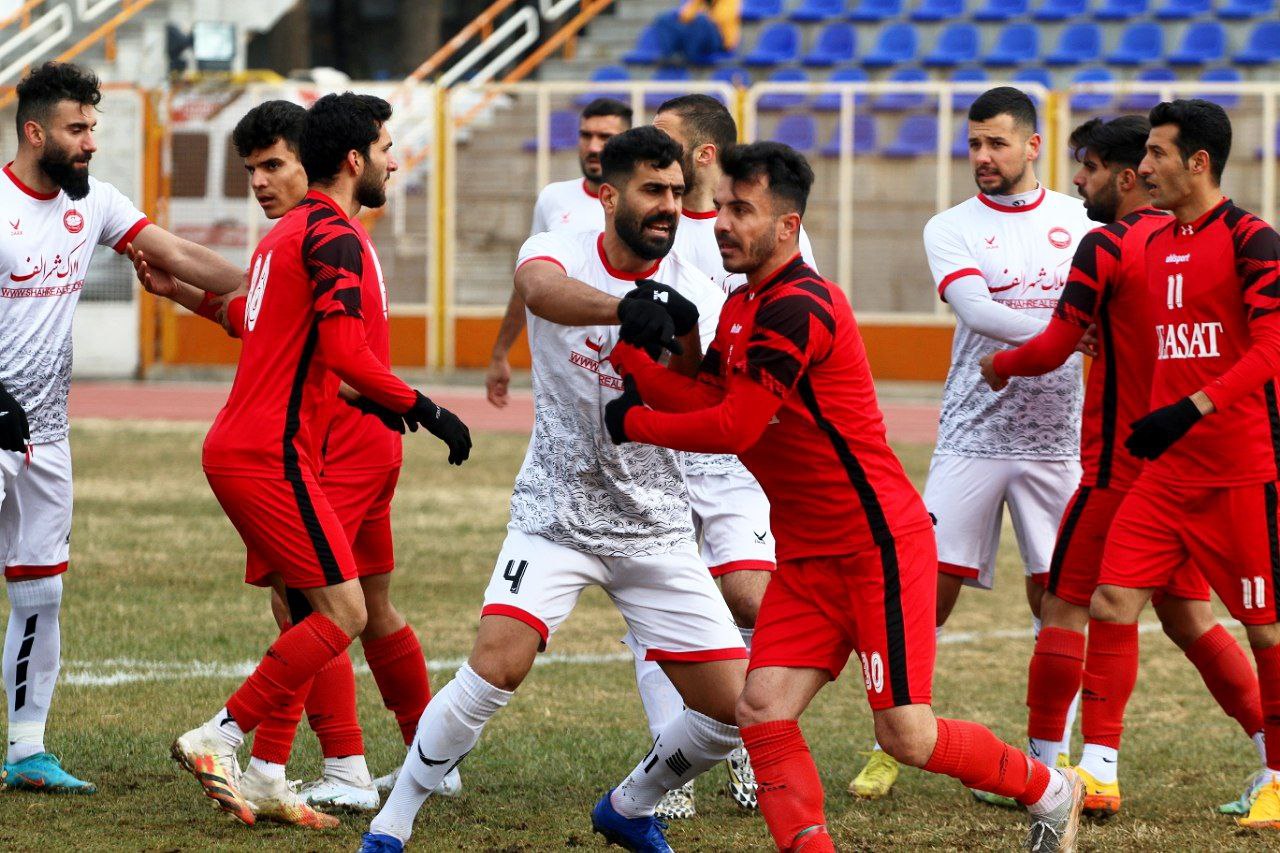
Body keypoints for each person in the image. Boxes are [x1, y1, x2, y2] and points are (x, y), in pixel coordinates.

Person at [604, 140, 1085, 853]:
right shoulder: (742, 303)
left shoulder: (800, 306)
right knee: (762, 709)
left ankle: (1052, 790)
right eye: (722, 207)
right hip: (808, 557)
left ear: (787, 226)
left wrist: (634, 419)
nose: (722, 223)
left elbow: (734, 427)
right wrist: (634, 359)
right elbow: (707, 393)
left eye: (742, 210)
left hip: (876, 549)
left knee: (906, 734)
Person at [361, 126, 745, 853]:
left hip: (657, 527)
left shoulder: (700, 289)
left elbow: (701, 399)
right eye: (652, 191)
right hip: (555, 515)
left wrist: (687, 338)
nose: (669, 206)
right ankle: (391, 824)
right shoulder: (557, 248)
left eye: (675, 192)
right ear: (608, 196)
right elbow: (539, 291)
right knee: (495, 667)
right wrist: (624, 308)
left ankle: (630, 806)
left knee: (733, 711)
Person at [137, 99, 454, 821]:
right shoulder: (322, 236)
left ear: (312, 158)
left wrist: (412, 405)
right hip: (315, 444)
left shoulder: (305, 236)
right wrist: (424, 408)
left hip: (328, 444)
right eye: (251, 169)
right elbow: (288, 333)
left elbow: (324, 350)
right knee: (347, 607)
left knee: (321, 607)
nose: (259, 181)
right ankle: (368, 762)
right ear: (355, 159)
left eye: (272, 164)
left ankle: (315, 765)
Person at [979, 114, 1269, 818]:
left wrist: (1000, 364)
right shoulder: (1169, 246)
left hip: (1123, 467)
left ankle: (1047, 767)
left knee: (1065, 606)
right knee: (1187, 618)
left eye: (1089, 167)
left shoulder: (1111, 244)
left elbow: (1055, 345)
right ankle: (1250, 753)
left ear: (1129, 173)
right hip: (1174, 467)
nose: (1079, 181)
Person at [0, 61, 245, 795]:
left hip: (47, 436)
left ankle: (27, 749)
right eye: (77, 129)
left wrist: (267, 278)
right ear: (35, 132)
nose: (91, 142)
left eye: (93, 127)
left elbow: (179, 255)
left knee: (41, 592)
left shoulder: (96, 203)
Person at [850, 86, 1094, 800]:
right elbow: (978, 310)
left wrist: (1069, 337)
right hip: (972, 432)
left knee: (1057, 596)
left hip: (1058, 440)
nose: (983, 156)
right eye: (974, 144)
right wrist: (1071, 333)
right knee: (927, 590)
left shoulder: (1080, 220)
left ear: (1033, 146)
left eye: (996, 143)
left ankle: (1048, 756)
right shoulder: (950, 226)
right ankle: (889, 741)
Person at [1069, 98, 1280, 832]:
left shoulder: (1253, 240)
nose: (1145, 166)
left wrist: (1191, 407)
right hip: (1164, 473)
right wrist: (1092, 332)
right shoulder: (1152, 242)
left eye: (1157, 153)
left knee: (1265, 629)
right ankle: (1098, 769)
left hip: (1241, 471)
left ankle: (1279, 776)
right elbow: (1131, 316)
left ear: (1198, 161)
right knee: (1110, 601)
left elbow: (1271, 350)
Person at [485, 98, 632, 409]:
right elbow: (528, 280)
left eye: (605, 137)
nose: (593, 147)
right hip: (563, 372)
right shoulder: (553, 197)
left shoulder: (640, 205)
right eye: (586, 135)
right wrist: (500, 353)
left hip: (622, 371)